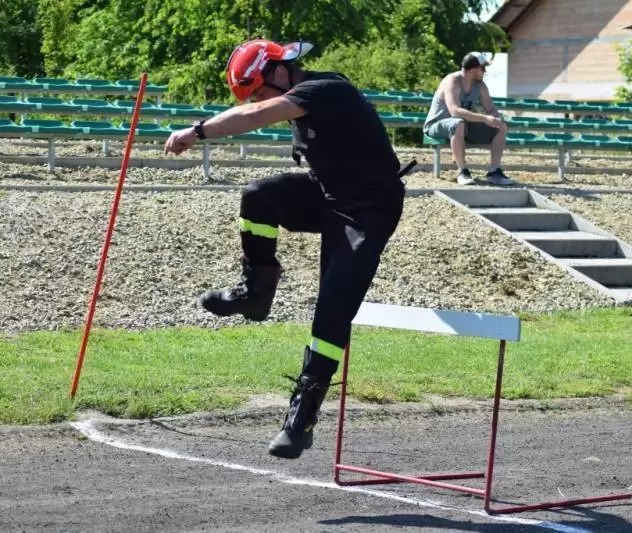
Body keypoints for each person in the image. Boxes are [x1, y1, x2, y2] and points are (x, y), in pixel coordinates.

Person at [163, 39, 415, 460]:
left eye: (258, 91)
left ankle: (303, 415)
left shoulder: (325, 88)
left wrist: (197, 131)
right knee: (260, 195)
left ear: (280, 72)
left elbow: (256, 115)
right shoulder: (299, 99)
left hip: (370, 210)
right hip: (329, 196)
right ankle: (255, 290)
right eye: (253, 96)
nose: (258, 102)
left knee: (333, 306)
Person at [423, 52, 516, 186]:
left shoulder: (480, 85)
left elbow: (491, 109)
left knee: (499, 127)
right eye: (483, 68)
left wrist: (498, 119)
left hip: (462, 127)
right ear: (473, 70)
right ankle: (462, 171)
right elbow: (454, 111)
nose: (485, 72)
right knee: (458, 123)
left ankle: (494, 172)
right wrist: (484, 118)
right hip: (436, 125)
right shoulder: (452, 81)